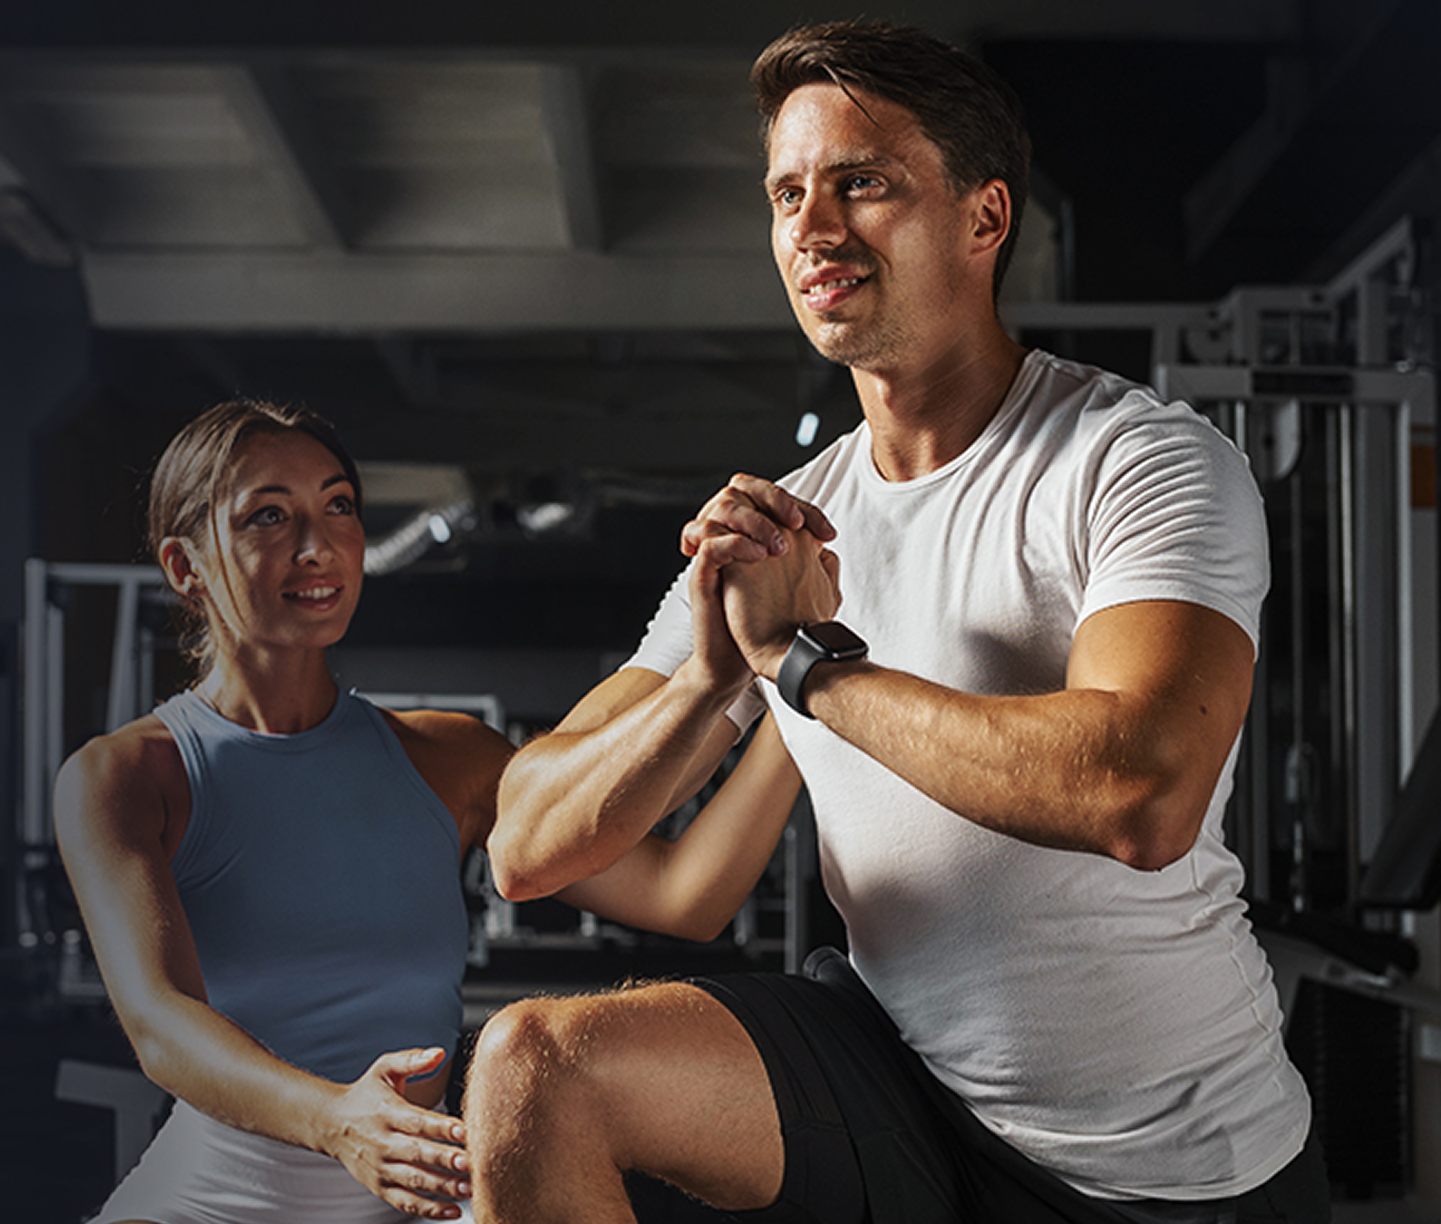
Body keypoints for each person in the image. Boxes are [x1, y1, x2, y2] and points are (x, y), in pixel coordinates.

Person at [464, 19, 1329, 1224]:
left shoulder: (1133, 460)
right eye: (787, 195)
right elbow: (526, 843)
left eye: (860, 184)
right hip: (902, 1082)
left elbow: (1143, 793)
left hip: (1169, 1164)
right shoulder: (781, 523)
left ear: (985, 219)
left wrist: (801, 666)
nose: (813, 230)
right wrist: (711, 673)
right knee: (536, 1068)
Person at [55, 399, 802, 1224]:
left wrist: (799, 690)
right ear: (185, 566)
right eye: (269, 516)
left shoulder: (449, 758)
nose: (319, 544)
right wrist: (337, 1123)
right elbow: (160, 1023)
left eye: (338, 506)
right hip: (201, 1205)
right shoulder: (128, 776)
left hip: (414, 1202)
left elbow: (683, 895)